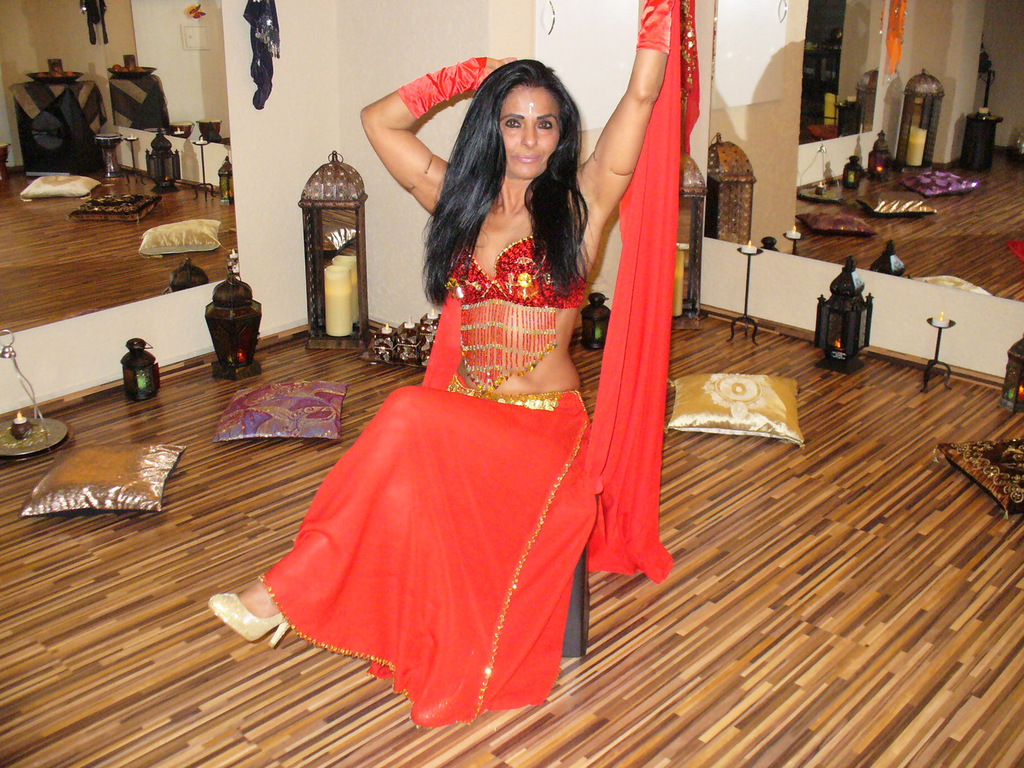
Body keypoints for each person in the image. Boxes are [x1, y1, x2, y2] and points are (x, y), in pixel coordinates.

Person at [209, 0, 673, 727]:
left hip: (541, 433)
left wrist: (657, 18)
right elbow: (378, 122)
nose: (529, 139)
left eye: (545, 123)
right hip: (467, 412)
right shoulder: (462, 202)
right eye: (513, 121)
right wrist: (464, 75)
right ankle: (298, 589)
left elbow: (641, 95)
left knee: (402, 410)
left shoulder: (582, 205)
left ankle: (284, 591)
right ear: (493, 125)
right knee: (404, 440)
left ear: (563, 134)